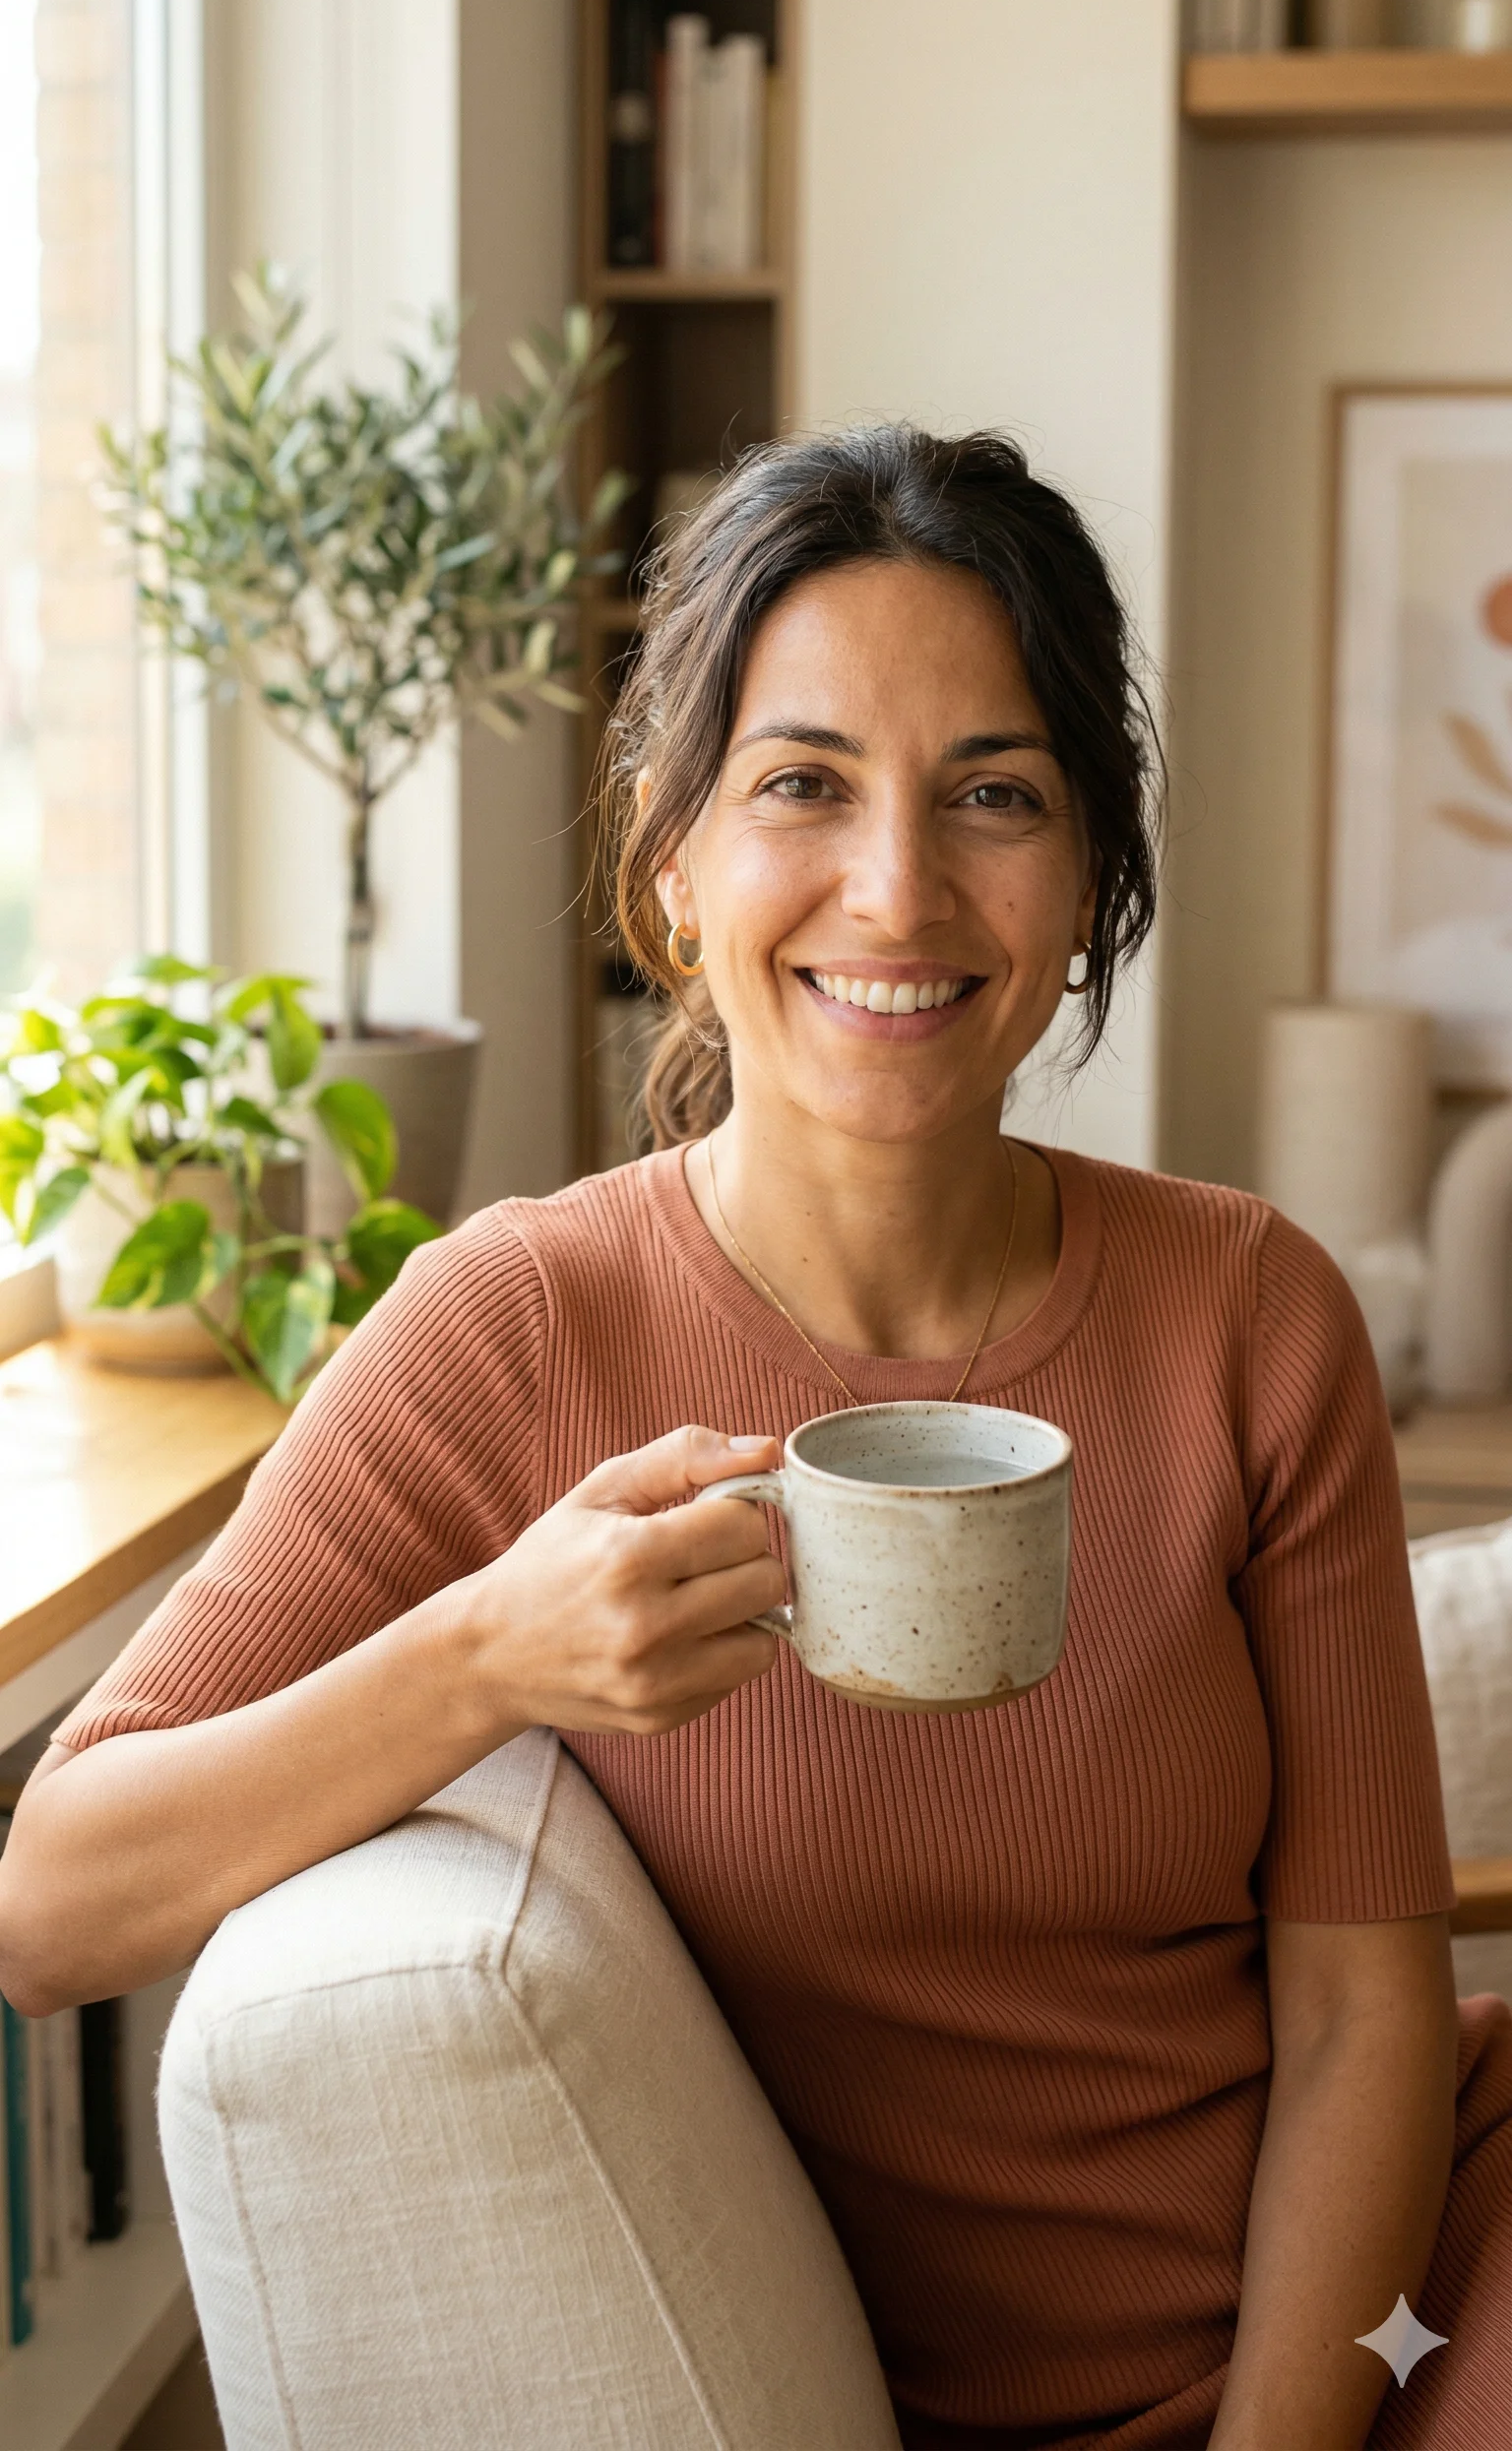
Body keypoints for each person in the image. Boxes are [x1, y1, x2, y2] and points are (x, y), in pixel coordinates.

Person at [0, 426, 1506, 2451]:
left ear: (1088, 881)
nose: (901, 885)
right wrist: (485, 1654)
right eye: (804, 783)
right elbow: (51, 1898)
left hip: (1377, 2329)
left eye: (997, 793)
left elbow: (1359, 2010)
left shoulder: (1256, 1313)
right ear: (671, 864)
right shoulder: (519, 1323)